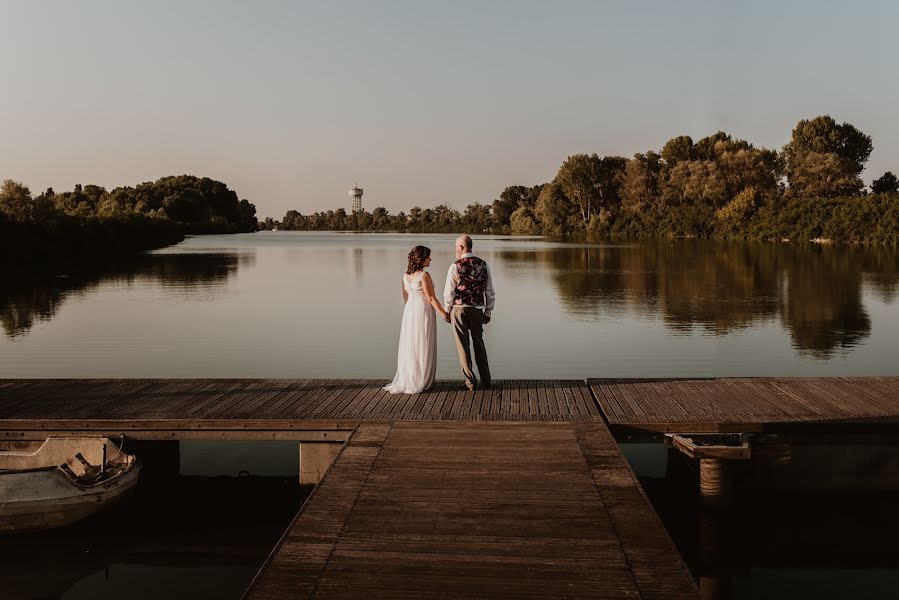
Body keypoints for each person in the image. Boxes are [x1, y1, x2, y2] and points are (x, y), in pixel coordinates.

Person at [383, 246, 451, 394]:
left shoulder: (405, 275)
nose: (431, 259)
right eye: (428, 257)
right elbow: (431, 298)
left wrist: (410, 310)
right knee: (423, 342)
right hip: (423, 310)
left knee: (412, 343)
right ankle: (423, 379)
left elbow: (405, 298)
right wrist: (445, 314)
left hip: (409, 311)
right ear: (421, 258)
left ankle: (411, 377)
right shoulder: (424, 275)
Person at [443, 235, 495, 390]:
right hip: (478, 310)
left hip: (459, 310)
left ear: (461, 247)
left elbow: (449, 293)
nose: (455, 251)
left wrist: (447, 311)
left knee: (463, 347)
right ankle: (486, 380)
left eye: (456, 248)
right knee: (479, 344)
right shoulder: (484, 265)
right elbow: (490, 291)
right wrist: (488, 311)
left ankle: (470, 383)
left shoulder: (455, 266)